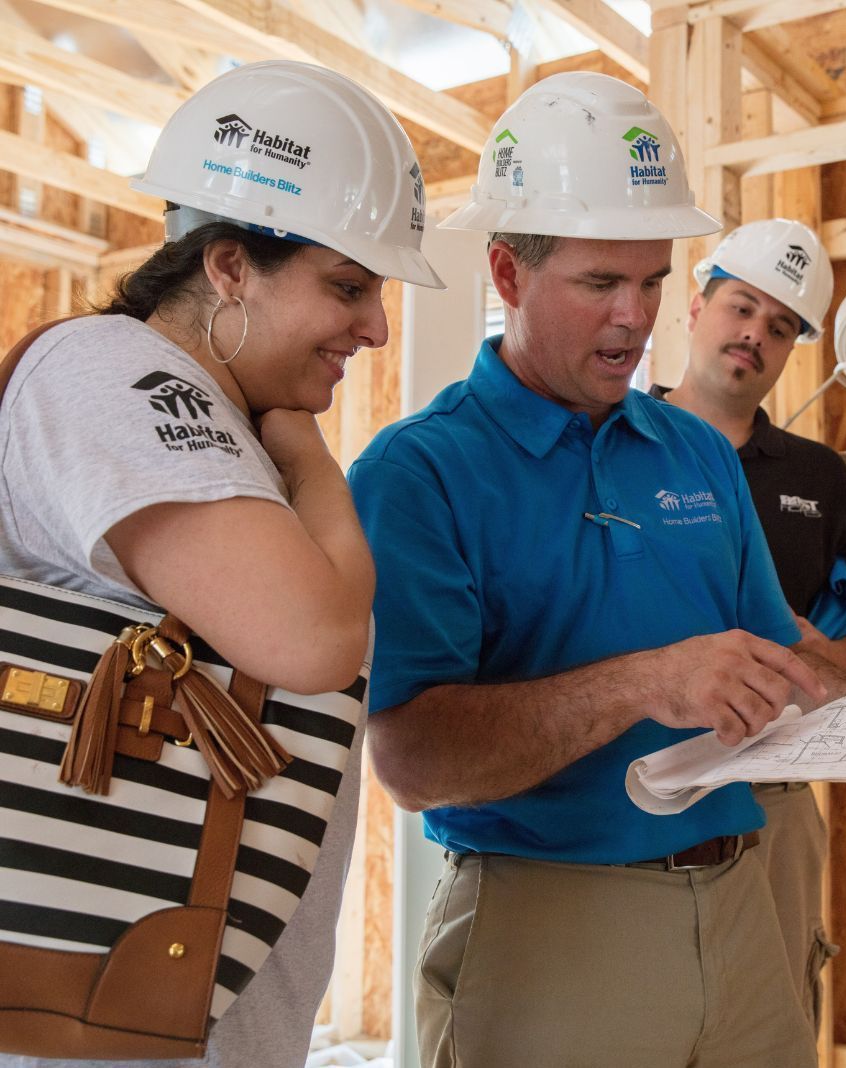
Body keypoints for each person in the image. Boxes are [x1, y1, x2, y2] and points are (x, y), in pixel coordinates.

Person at [349, 73, 846, 1068]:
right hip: (550, 929)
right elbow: (411, 760)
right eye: (600, 283)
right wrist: (646, 682)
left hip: (741, 906)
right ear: (505, 275)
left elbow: (774, 662)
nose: (634, 319)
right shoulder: (417, 473)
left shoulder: (695, 455)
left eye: (653, 281)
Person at [0, 60, 441, 1068]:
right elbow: (313, 638)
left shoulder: (210, 415)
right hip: (92, 1031)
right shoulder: (119, 374)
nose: (374, 327)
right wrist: (309, 455)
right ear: (230, 266)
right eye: (347, 285)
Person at [652, 217, 846, 1031]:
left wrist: (819, 656)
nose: (755, 334)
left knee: (774, 1018)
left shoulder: (817, 476)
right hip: (638, 784)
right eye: (741, 307)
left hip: (777, 799)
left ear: (794, 347)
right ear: (696, 308)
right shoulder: (617, 440)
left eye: (781, 326)